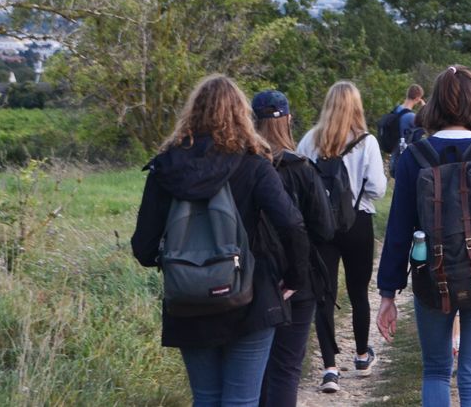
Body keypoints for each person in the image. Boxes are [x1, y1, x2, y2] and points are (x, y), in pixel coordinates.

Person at [132, 74, 305, 406]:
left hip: (188, 303)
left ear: (191, 113)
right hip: (251, 298)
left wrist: (185, 267)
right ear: (242, 114)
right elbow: (292, 224)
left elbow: (143, 247)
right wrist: (294, 277)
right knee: (242, 400)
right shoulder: (254, 164)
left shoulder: (165, 169)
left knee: (206, 398)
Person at [375, 65, 471, 407]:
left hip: (431, 278)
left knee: (435, 370)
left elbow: (398, 232)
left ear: (433, 106)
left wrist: (388, 292)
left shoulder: (413, 158)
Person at [298, 81, 388, 394]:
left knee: (323, 294)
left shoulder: (310, 140)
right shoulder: (367, 142)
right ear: (356, 107)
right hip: (358, 222)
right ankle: (362, 356)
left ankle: (329, 368)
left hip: (320, 226)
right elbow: (377, 187)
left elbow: (299, 183)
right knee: (359, 290)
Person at [252, 90, 337, 407]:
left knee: (256, 371)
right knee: (286, 371)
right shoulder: (301, 168)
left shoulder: (244, 167)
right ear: (287, 120)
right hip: (298, 280)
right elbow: (326, 228)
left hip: (253, 279)